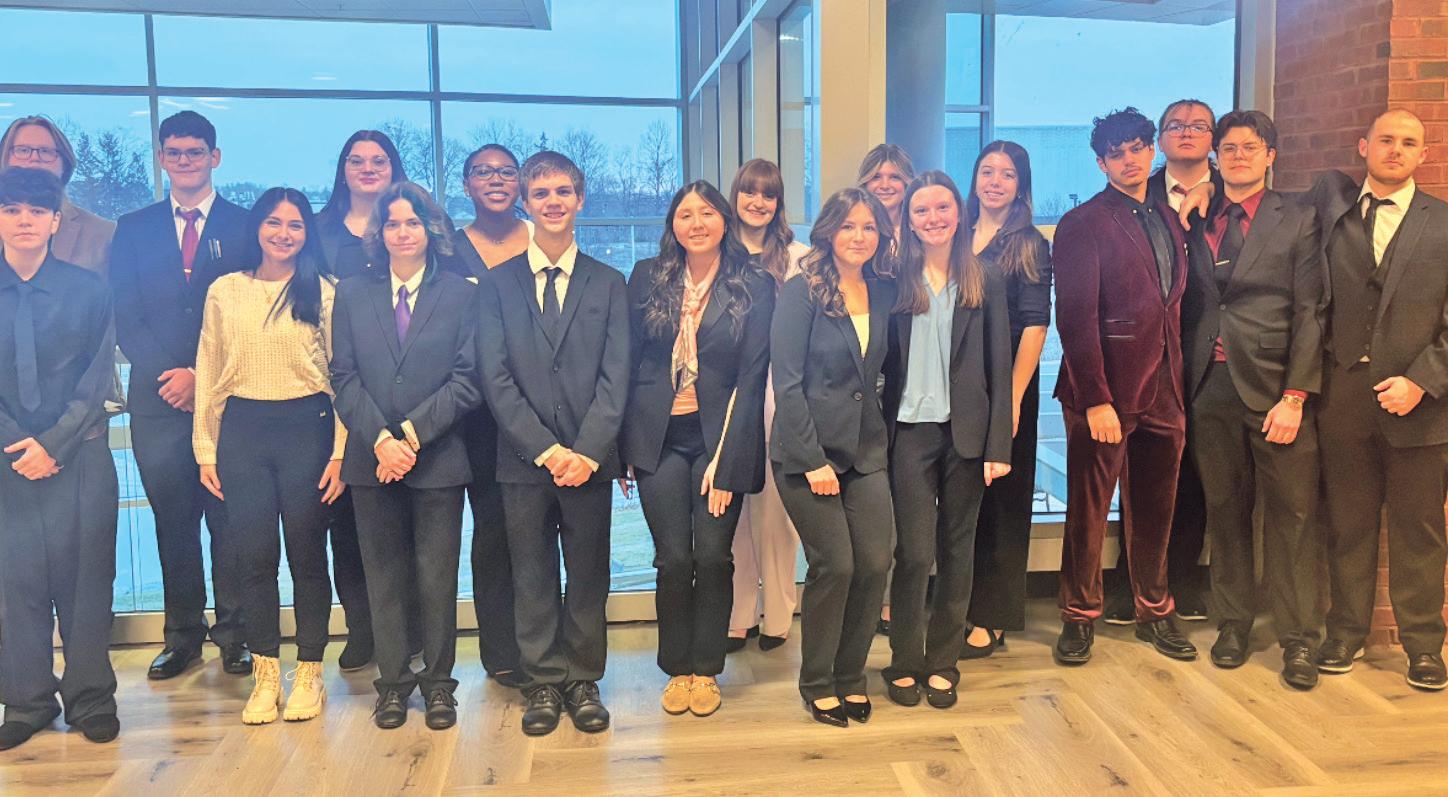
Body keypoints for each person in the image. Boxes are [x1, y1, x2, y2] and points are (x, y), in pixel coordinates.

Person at [475, 151, 629, 737]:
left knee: (588, 573)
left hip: (589, 461)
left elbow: (616, 375)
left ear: (580, 199)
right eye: (541, 193)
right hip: (523, 460)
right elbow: (495, 377)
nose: (553, 202)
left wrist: (586, 451)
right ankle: (541, 680)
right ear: (525, 202)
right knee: (532, 574)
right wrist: (545, 449)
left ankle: (583, 678)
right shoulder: (497, 285)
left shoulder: (608, 282)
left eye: (563, 191)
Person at [1302, 109, 1448, 691]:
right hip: (1343, 399)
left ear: (1423, 155)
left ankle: (1423, 646)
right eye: (1385, 139)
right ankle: (1345, 633)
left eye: (1408, 143)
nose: (1395, 149)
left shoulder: (1444, 222)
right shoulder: (1331, 213)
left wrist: (1422, 381)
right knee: (1348, 525)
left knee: (1419, 531)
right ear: (1363, 146)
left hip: (1422, 406)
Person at [1177, 111, 1323, 689]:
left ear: (1271, 156)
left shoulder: (1301, 216)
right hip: (1208, 387)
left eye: (1251, 147)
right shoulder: (1196, 215)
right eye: (1229, 148)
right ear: (1216, 157)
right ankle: (1233, 624)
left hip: (1276, 390)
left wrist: (1296, 394)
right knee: (1226, 511)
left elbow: (1312, 310)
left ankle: (1299, 638)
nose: (1239, 156)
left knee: (1292, 516)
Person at [620, 181, 774, 717]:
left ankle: (706, 669)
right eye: (685, 215)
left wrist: (728, 462)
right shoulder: (648, 276)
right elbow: (627, 360)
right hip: (657, 438)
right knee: (672, 559)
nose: (696, 223)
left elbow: (752, 377)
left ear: (724, 220)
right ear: (673, 225)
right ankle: (676, 668)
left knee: (712, 556)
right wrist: (624, 447)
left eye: (707, 213)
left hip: (717, 440)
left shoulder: (753, 283)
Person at [193, 188, 347, 723]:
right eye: (274, 223)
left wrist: (340, 452)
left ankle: (309, 672)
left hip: (309, 430)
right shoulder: (225, 290)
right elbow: (208, 368)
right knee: (253, 559)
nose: (284, 234)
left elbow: (343, 376)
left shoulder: (324, 290)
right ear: (257, 227)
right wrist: (205, 448)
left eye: (296, 225)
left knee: (307, 556)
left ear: (308, 233)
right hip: (242, 433)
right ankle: (264, 676)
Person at [331, 181, 479, 730]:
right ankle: (392, 685)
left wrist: (411, 436)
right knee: (384, 577)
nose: (401, 232)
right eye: (391, 224)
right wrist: (382, 441)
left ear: (430, 230)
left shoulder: (461, 294)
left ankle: (439, 685)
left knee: (437, 578)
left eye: (412, 223)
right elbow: (343, 376)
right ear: (379, 233)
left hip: (438, 460)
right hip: (372, 462)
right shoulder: (352, 293)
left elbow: (468, 379)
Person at [109, 110, 251, 680]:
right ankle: (182, 636)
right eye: (175, 152)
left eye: (196, 151)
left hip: (228, 402)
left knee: (230, 520)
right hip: (158, 399)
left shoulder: (246, 226)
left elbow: (251, 316)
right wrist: (172, 375)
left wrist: (202, 377)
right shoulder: (133, 228)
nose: (185, 161)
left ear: (215, 157)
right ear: (162, 158)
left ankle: (236, 635)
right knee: (174, 521)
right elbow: (125, 315)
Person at [1052, 108, 1195, 666]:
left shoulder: (1169, 217)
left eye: (1138, 147)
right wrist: (1096, 399)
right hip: (1104, 393)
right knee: (1089, 512)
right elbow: (1075, 318)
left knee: (1157, 509)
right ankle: (1078, 615)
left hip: (1166, 388)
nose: (1130, 159)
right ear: (1101, 163)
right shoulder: (1082, 222)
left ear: (1152, 150)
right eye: (1117, 152)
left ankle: (1154, 610)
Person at [881, 170, 1012, 709]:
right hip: (909, 434)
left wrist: (999, 445)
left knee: (958, 550)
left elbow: (1000, 366)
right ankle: (903, 661)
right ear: (909, 221)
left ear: (959, 213)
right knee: (914, 552)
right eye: (921, 210)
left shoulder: (985, 278)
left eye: (942, 208)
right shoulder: (893, 280)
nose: (932, 218)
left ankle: (942, 662)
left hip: (968, 436)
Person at [0, 167, 119, 751]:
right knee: (13, 586)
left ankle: (91, 698)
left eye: (36, 210)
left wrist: (54, 444)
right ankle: (26, 702)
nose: (24, 220)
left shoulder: (89, 289)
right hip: (6, 462)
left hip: (81, 457)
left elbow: (97, 378)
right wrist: (17, 445)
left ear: (54, 221)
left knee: (86, 583)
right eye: (11, 209)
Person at [771, 186, 898, 727]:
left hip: (866, 450)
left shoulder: (884, 290)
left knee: (874, 563)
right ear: (828, 231)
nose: (859, 236)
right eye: (849, 226)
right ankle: (818, 681)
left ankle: (851, 675)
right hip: (807, 453)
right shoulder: (801, 292)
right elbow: (787, 382)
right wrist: (812, 459)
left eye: (869, 227)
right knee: (836, 565)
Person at [1104, 99, 1221, 624]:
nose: (1187, 133)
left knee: (1195, 466)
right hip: (1148, 351)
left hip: (1211, 349)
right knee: (1142, 470)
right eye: (1176, 125)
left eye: (1199, 126)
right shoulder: (1137, 191)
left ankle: (1184, 579)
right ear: (1161, 140)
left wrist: (1213, 189)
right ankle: (1131, 582)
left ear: (1212, 138)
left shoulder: (1229, 192)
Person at [314, 130, 411, 671]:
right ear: (343, 169)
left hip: (403, 395)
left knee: (404, 524)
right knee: (345, 522)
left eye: (379, 160)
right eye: (357, 160)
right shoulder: (319, 230)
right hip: (339, 390)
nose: (368, 168)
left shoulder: (410, 223)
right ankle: (362, 628)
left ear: (394, 168)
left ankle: (409, 630)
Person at [958, 142, 1053, 659]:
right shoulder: (957, 233)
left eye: (1008, 174)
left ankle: (991, 617)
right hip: (959, 385)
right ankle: (958, 606)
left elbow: (1036, 325)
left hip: (1006, 386)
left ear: (1022, 185)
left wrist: (1012, 399)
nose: (995, 182)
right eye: (987, 171)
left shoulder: (1029, 244)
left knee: (1003, 503)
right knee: (963, 502)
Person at [447, 143, 530, 688]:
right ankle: (502, 651)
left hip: (542, 409)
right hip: (475, 415)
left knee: (540, 531)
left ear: (519, 182)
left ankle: (545, 642)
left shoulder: (544, 239)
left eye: (505, 171)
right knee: (493, 529)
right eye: (483, 172)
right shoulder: (448, 251)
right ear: (467, 184)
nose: (495, 180)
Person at [726, 158, 809, 652]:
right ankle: (738, 613)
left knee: (776, 513)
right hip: (726, 394)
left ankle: (777, 614)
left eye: (768, 194)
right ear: (736, 195)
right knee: (731, 510)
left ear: (778, 203)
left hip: (779, 392)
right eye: (749, 192)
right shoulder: (719, 251)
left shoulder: (798, 258)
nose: (757, 202)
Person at [857, 144, 915, 635]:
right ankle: (868, 601)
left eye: (895, 176)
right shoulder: (857, 234)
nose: (886, 184)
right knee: (872, 497)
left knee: (908, 496)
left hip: (915, 378)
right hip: (869, 381)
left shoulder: (922, 233)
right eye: (876, 176)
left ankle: (898, 602)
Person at [0, 116, 115, 274]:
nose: (34, 158)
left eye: (45, 151)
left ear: (65, 164)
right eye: (23, 150)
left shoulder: (104, 233)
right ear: (4, 159)